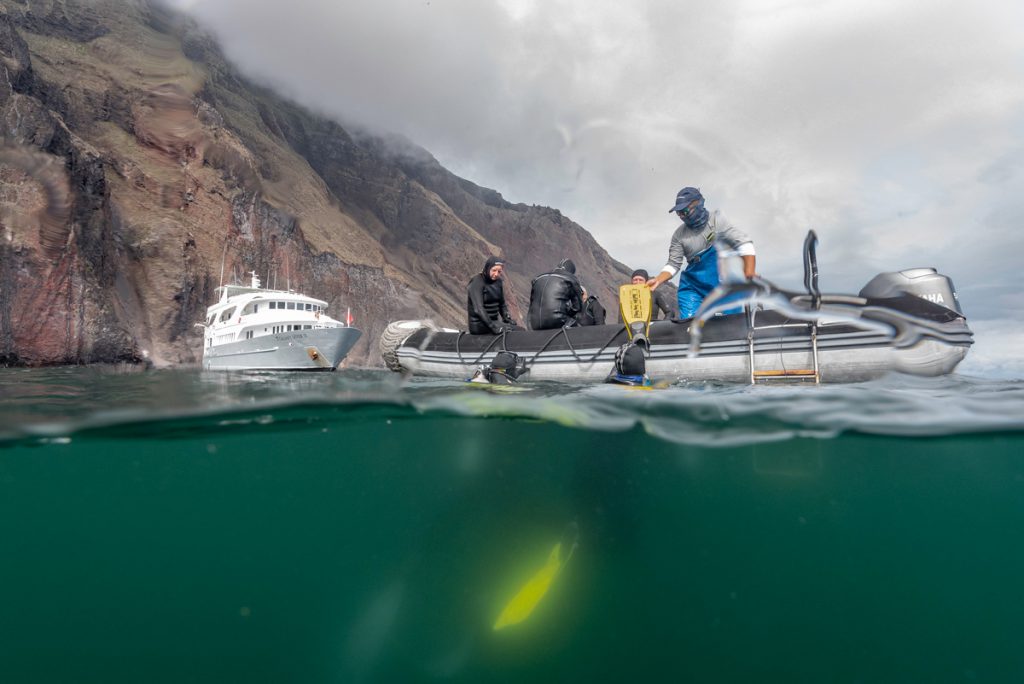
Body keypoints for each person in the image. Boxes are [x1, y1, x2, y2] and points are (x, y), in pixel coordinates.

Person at [647, 187, 756, 319]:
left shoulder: (717, 220)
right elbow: (673, 264)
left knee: (729, 323)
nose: (682, 216)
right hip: (693, 285)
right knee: (689, 322)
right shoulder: (678, 235)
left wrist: (749, 272)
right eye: (679, 213)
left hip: (723, 283)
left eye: (685, 211)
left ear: (698, 204)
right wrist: (658, 280)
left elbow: (744, 243)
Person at [467, 256, 519, 335]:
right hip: (479, 325)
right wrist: (493, 327)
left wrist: (507, 318)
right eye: (494, 270)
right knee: (514, 332)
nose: (496, 274)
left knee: (518, 330)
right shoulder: (477, 282)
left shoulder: (498, 282)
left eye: (499, 271)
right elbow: (479, 309)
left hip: (494, 322)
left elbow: (502, 304)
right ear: (487, 268)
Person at [528, 258, 584, 330]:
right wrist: (568, 312)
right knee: (580, 325)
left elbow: (532, 304)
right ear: (571, 271)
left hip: (534, 323)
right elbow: (577, 307)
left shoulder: (538, 278)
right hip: (557, 321)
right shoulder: (571, 278)